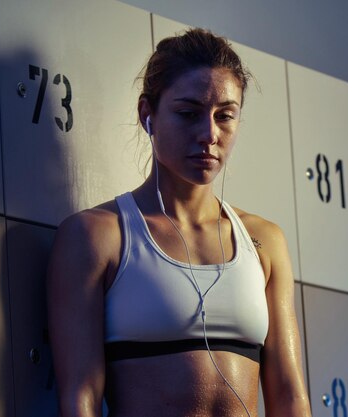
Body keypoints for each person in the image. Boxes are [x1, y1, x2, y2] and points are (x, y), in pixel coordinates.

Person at [47, 28, 311, 417]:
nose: (209, 134)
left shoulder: (264, 241)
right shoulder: (97, 236)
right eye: (188, 114)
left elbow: (290, 396)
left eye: (225, 116)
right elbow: (79, 397)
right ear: (146, 114)